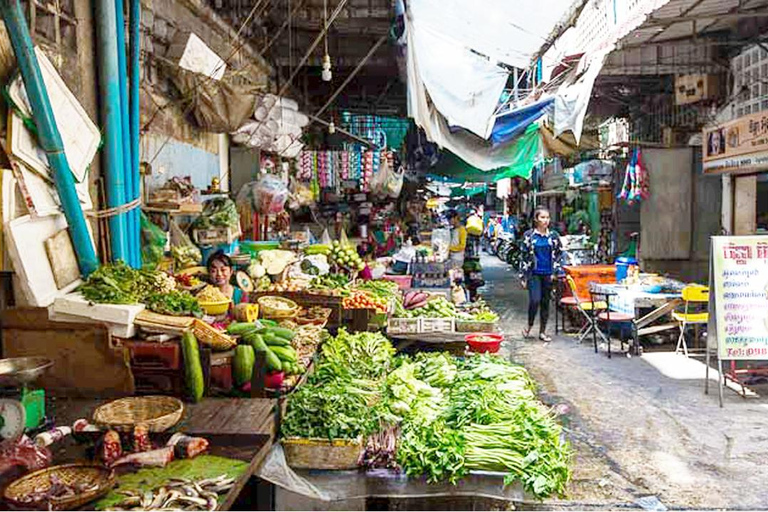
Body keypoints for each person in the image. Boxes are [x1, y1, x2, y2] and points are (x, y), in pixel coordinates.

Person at [519, 207, 563, 342]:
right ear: (536, 219)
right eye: (542, 217)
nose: (545, 220)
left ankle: (542, 331)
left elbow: (559, 254)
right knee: (535, 300)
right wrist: (523, 276)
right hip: (534, 273)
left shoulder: (553, 236)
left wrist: (556, 272)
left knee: (545, 302)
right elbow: (524, 256)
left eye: (547, 218)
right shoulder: (529, 236)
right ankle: (530, 324)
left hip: (548, 274)